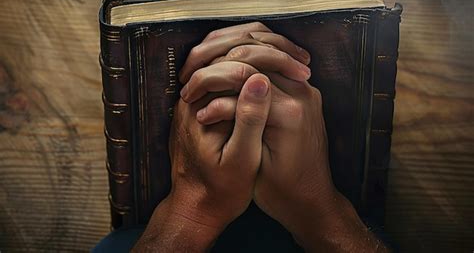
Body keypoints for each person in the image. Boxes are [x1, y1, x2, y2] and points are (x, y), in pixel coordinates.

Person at [94, 22, 388, 252]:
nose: (251, 100)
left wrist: (190, 212)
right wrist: (324, 218)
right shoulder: (373, 235)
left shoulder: (120, 244)